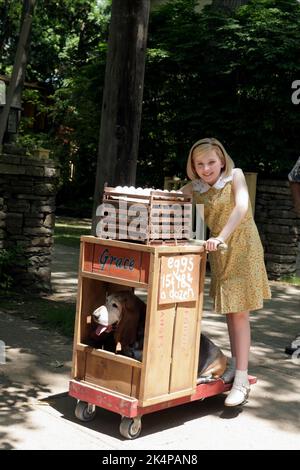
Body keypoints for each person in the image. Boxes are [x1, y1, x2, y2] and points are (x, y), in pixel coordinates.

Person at [181, 137, 271, 407]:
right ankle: (236, 368)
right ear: (193, 166)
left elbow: (242, 207)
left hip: (242, 248)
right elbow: (168, 200)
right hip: (218, 251)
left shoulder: (235, 176)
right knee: (232, 313)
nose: (206, 168)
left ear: (222, 161)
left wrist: (220, 236)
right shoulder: (194, 188)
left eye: (211, 162)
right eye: (200, 164)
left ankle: (241, 380)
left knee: (240, 313)